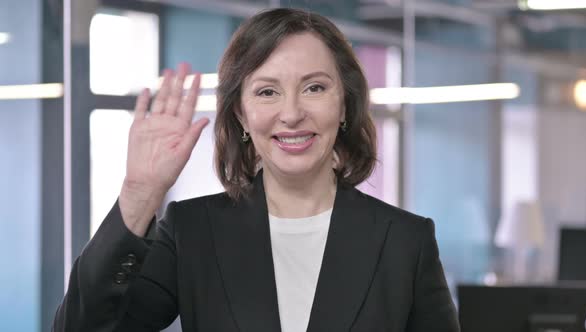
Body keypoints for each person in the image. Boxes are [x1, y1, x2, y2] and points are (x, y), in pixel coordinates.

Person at [53, 7, 459, 332]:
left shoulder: (406, 241)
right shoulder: (192, 231)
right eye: (267, 92)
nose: (292, 113)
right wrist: (140, 193)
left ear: (344, 106)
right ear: (242, 117)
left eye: (314, 87)